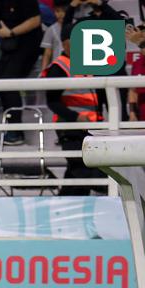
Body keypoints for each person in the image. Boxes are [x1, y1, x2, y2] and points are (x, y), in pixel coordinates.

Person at [44, 23, 107, 195]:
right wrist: (75, 117)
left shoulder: (88, 62)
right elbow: (52, 101)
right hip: (71, 128)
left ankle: (65, 208)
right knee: (82, 168)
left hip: (91, 126)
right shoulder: (59, 67)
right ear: (65, 44)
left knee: (76, 172)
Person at [0, 0, 41, 145]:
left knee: (9, 82)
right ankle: (11, 127)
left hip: (28, 43)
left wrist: (10, 32)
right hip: (9, 45)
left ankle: (16, 132)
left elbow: (35, 20)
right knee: (1, 84)